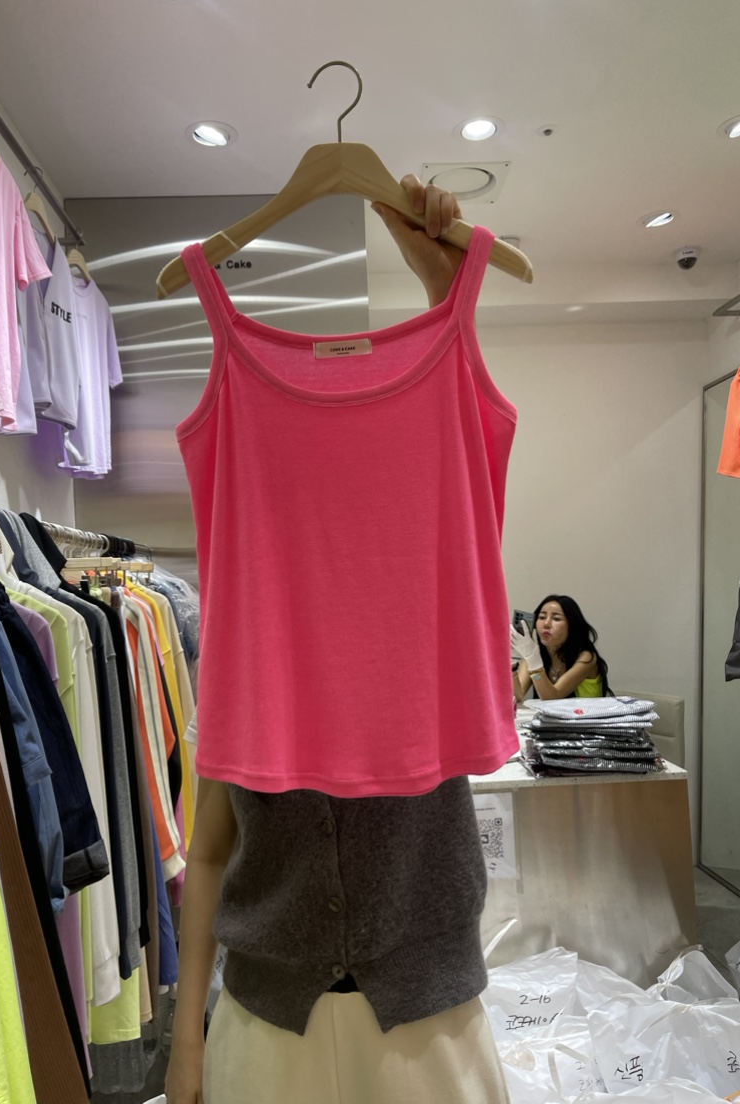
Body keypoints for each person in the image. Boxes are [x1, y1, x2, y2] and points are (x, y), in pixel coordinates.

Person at [165, 179, 511, 1104]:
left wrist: (443, 292)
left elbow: (461, 408)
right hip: (266, 1028)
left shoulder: (429, 626)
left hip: (432, 1025)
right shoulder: (246, 670)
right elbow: (207, 855)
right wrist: (187, 1042)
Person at [511, 594, 611, 702]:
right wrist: (512, 664)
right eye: (542, 617)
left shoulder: (586, 657)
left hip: (587, 712)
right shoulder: (533, 655)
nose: (546, 624)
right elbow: (518, 695)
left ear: (572, 625)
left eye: (556, 619)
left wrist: (535, 664)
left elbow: (552, 698)